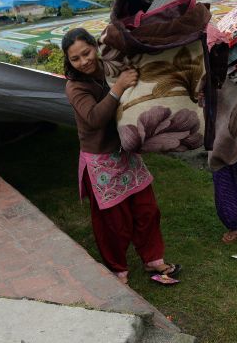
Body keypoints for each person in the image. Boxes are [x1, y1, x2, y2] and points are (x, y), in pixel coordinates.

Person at [62, 27, 181, 285]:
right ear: (68, 61)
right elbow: (94, 119)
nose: (84, 61)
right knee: (113, 223)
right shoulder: (75, 87)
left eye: (87, 52)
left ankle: (153, 259)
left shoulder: (111, 67)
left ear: (95, 46)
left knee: (147, 209)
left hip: (125, 151)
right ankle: (118, 270)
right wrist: (117, 88)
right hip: (101, 160)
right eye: (75, 58)